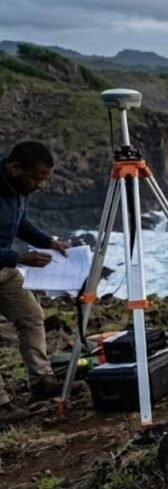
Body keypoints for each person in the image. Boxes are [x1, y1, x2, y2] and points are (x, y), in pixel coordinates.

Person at [0, 141, 70, 423]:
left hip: (4, 269)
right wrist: (19, 257)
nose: (40, 185)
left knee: (31, 316)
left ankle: (41, 381)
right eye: (37, 178)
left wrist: (48, 243)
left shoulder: (18, 188)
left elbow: (20, 223)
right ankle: (2, 407)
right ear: (16, 168)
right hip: (8, 261)